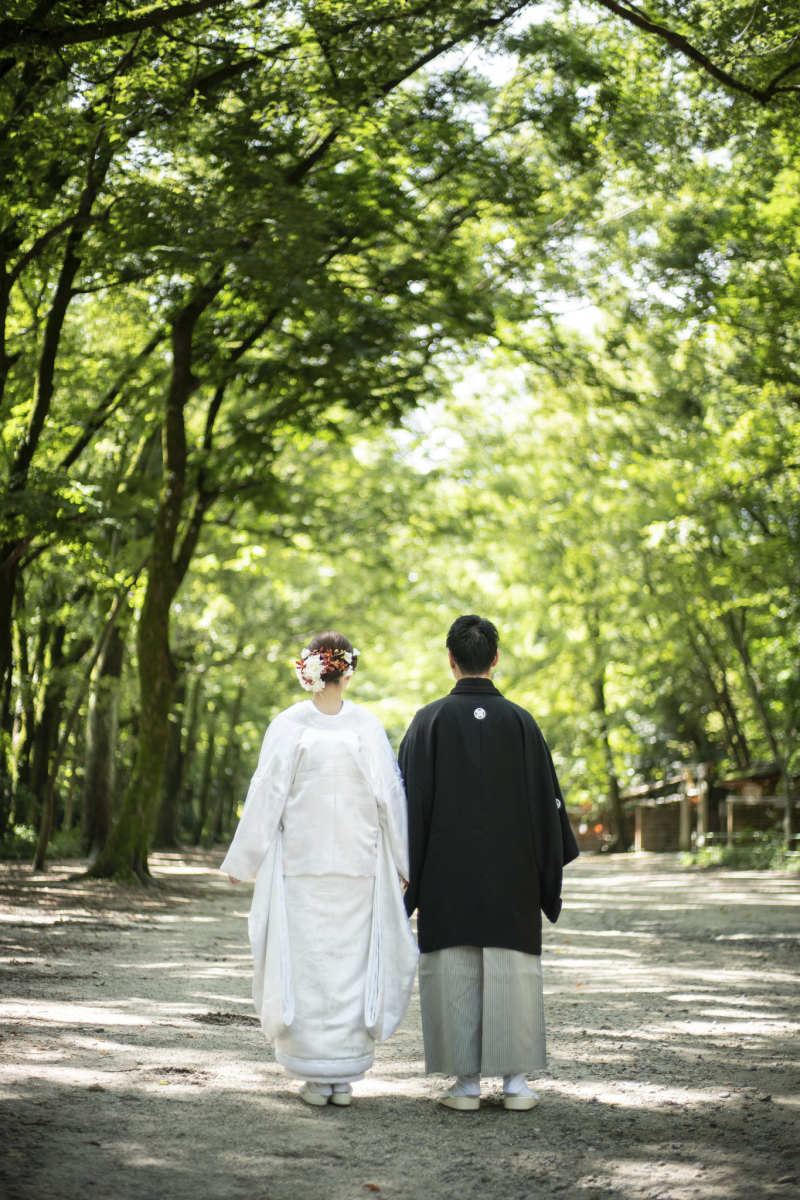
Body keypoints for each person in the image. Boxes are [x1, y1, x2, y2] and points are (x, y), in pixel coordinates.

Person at [221, 631, 418, 1107]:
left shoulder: (288, 723)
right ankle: (341, 1077)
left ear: (308, 669)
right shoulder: (366, 725)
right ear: (348, 671)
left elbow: (267, 794)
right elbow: (391, 797)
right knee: (350, 964)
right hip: (358, 863)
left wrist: (243, 859)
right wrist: (403, 860)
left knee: (306, 963)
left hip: (303, 866)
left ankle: (317, 1076)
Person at [399, 614, 579, 1111]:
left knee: (451, 967)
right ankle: (517, 1083)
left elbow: (407, 806)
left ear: (451, 661)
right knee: (513, 970)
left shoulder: (428, 721)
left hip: (445, 876)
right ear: (495, 660)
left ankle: (466, 1085)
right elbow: (548, 808)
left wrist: (407, 881)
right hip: (512, 877)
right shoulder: (522, 723)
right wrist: (546, 877)